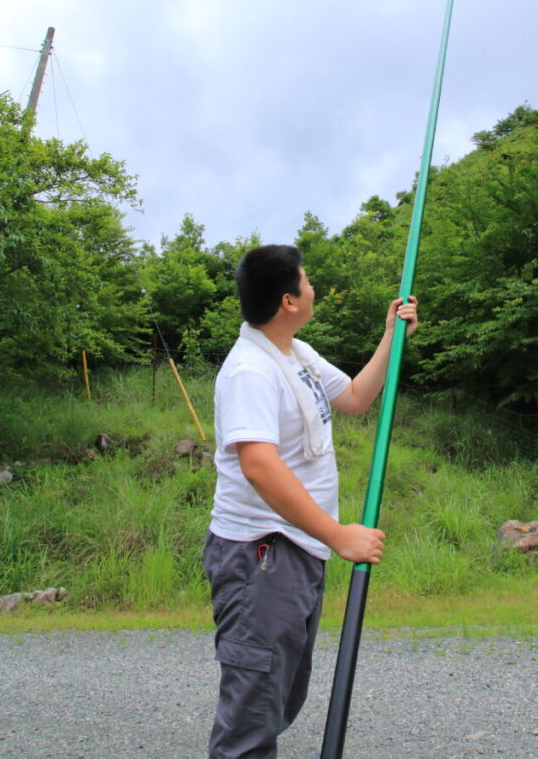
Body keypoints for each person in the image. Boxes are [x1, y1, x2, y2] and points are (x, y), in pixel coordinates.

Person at [203, 244, 418, 758]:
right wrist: (338, 534)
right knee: (253, 713)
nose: (313, 286)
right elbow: (259, 466)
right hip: (262, 556)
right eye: (307, 280)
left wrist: (392, 336)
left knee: (281, 694)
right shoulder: (250, 371)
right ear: (288, 301)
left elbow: (356, 399)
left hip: (297, 552)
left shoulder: (292, 353)